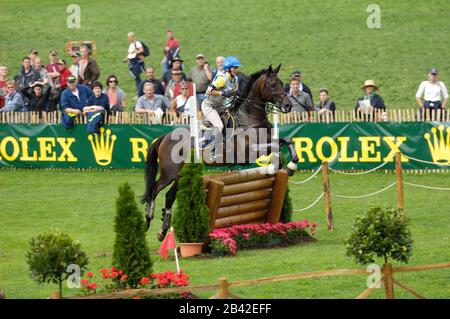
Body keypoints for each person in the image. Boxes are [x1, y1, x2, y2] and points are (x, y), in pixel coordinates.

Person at [201, 56, 241, 152]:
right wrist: (221, 93)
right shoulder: (222, 78)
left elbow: (234, 94)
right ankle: (212, 150)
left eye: (237, 67)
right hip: (209, 105)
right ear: (228, 68)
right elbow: (209, 91)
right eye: (234, 67)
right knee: (219, 126)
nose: (236, 69)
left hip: (221, 105)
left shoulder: (235, 79)